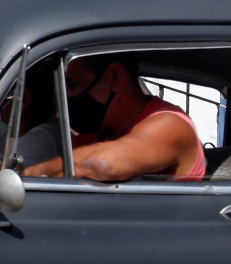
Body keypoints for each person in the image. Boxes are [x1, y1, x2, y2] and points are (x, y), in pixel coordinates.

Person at [24, 54, 205, 181]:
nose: (67, 96)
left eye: (73, 84)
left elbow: (102, 164)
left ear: (114, 77)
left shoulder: (169, 124)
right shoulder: (91, 139)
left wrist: (24, 175)